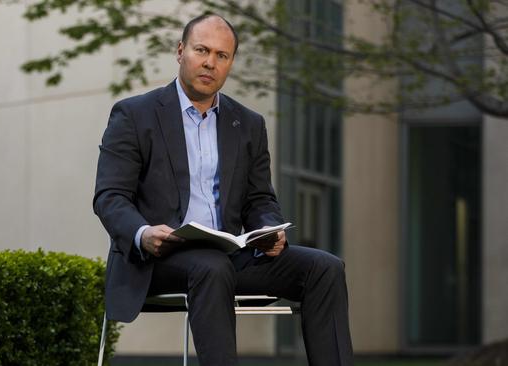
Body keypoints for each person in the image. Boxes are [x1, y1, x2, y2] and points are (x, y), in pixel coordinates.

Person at [93, 13, 354, 366]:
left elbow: (260, 198)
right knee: (211, 266)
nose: (210, 63)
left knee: (324, 267)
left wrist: (269, 230)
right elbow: (110, 197)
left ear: (230, 63)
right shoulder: (134, 115)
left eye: (222, 55)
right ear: (181, 51)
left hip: (229, 255)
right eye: (202, 50)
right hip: (157, 258)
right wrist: (143, 233)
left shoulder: (247, 124)